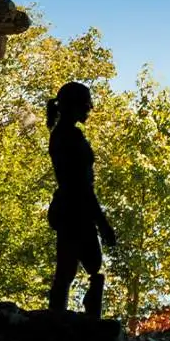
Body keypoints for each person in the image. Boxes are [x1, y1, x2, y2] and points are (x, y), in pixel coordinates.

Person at [46, 81, 117, 318]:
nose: (91, 108)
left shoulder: (63, 135)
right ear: (74, 106)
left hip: (67, 209)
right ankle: (87, 322)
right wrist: (103, 223)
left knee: (68, 270)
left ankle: (59, 321)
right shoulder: (70, 138)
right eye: (87, 104)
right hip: (76, 211)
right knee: (89, 267)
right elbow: (82, 187)